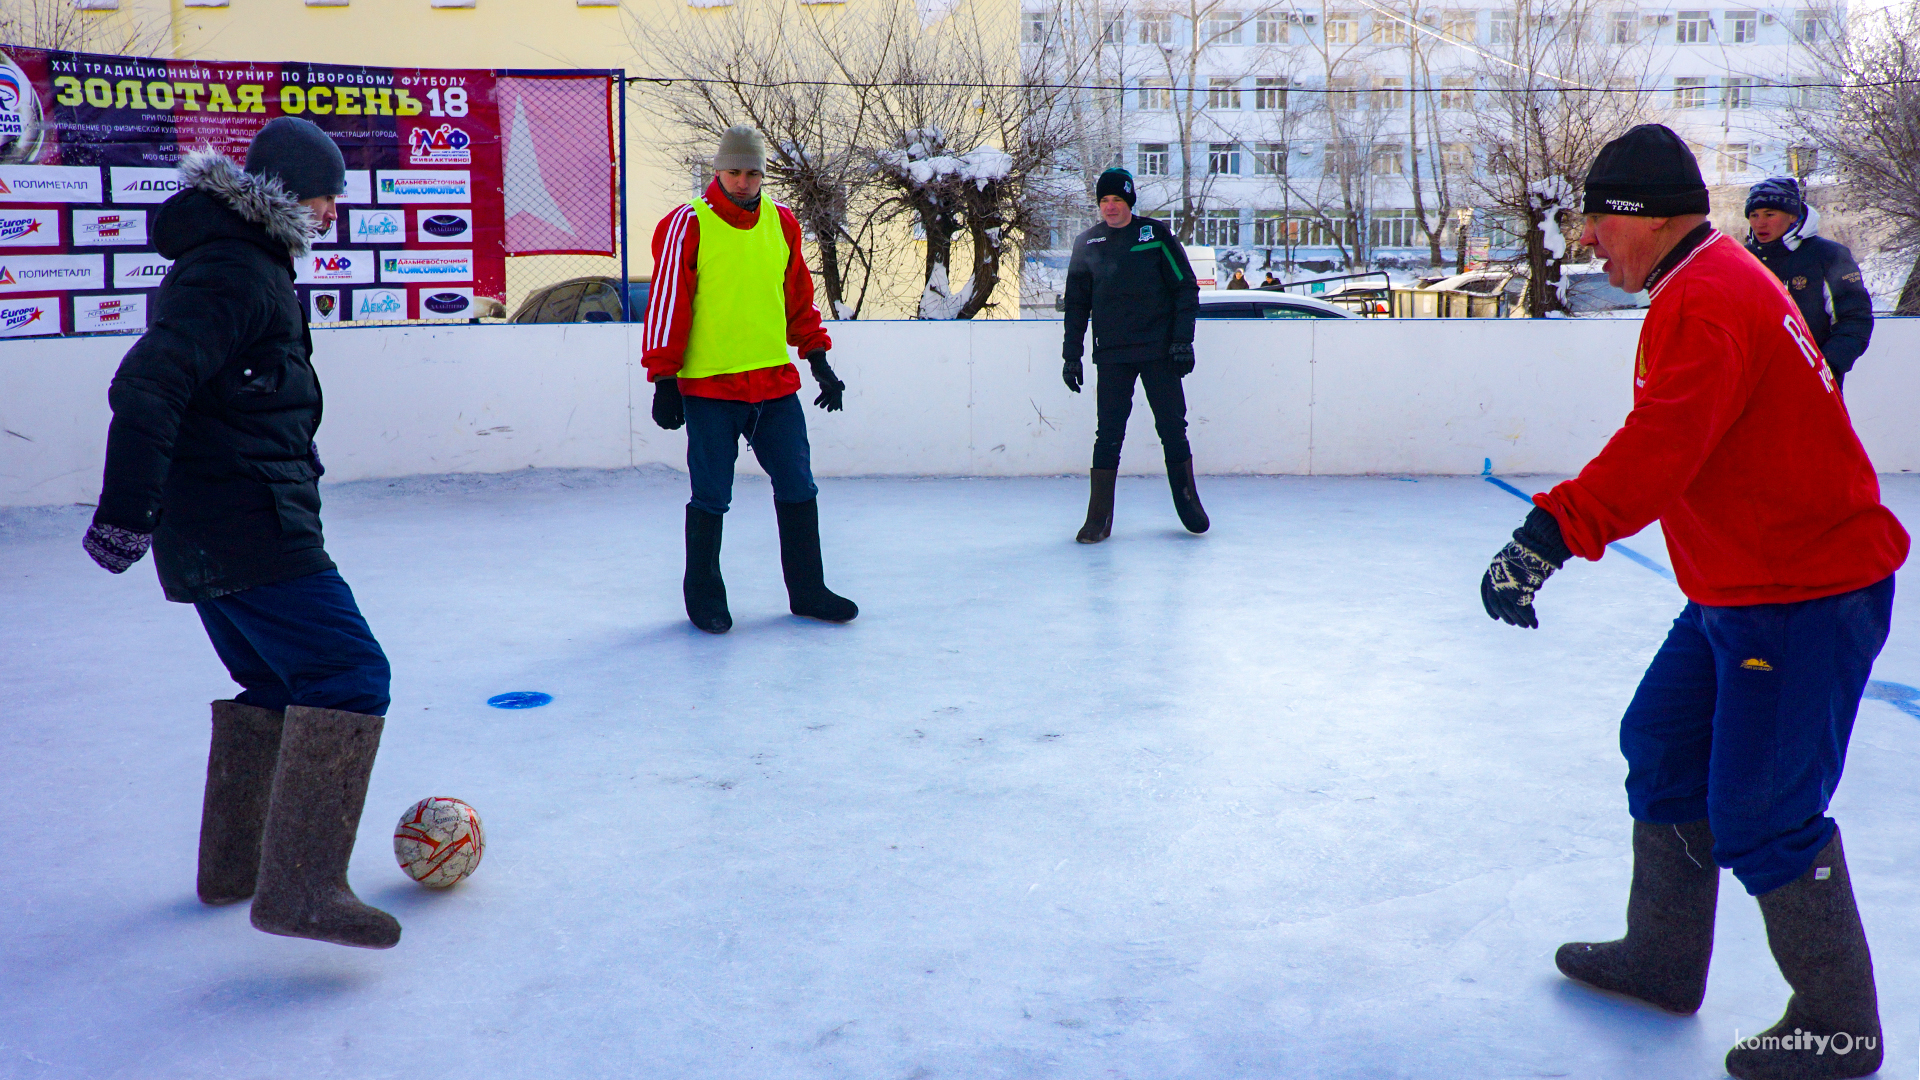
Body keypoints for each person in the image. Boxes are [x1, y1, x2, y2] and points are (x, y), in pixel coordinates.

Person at [1479, 124, 1905, 1079]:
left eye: (1597, 218)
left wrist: (1546, 535)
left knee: (1761, 810)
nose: (1588, 238)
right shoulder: (1706, 282)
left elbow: (1659, 449)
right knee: (1664, 746)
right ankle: (1666, 958)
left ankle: (1839, 1022)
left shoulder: (1708, 298)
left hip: (1803, 589)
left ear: (1642, 217)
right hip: (1740, 583)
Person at [83, 117, 400, 949]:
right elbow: (148, 386)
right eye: (327, 191)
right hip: (246, 520)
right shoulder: (237, 271)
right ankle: (301, 890)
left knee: (273, 679)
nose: (335, 208)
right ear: (289, 191)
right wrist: (126, 510)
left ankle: (234, 866)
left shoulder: (241, 263)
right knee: (350, 672)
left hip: (223, 519)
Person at [642, 125, 855, 634]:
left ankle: (808, 591)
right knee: (712, 495)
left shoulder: (781, 223)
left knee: (799, 487)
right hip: (711, 389)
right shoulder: (686, 224)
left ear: (763, 175)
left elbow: (797, 297)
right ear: (718, 171)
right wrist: (664, 379)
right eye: (734, 171)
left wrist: (818, 359)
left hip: (774, 385)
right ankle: (704, 599)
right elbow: (668, 303)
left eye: (752, 172)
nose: (742, 181)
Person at [1060, 168, 1206, 543]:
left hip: (1159, 352)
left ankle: (1188, 501)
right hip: (1111, 355)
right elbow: (1077, 306)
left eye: (1117, 200)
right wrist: (1071, 355)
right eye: (1104, 201)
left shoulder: (1154, 235)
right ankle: (1098, 518)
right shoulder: (1087, 243)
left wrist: (1181, 341)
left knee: (1173, 427)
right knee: (1107, 434)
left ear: (1129, 202)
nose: (1110, 207)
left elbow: (1185, 289)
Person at [1745, 176, 1874, 390]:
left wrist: (1826, 366)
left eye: (1770, 214)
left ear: (1792, 216)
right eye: (1753, 215)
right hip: (1753, 385)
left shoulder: (1828, 255)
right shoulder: (1742, 258)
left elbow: (1855, 320)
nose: (1760, 223)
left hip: (1814, 385)